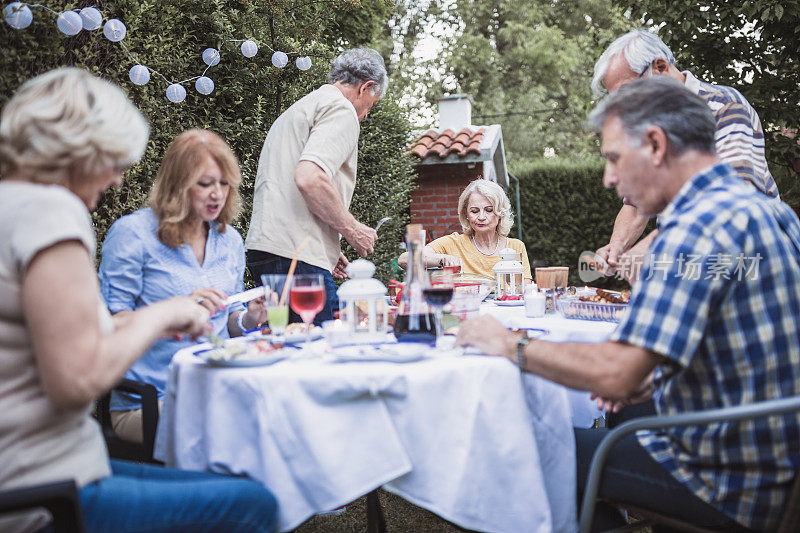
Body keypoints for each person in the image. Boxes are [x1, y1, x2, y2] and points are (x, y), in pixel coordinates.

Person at [457, 77, 800, 530]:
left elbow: (615, 374)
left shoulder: (692, 231)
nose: (609, 179)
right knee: (620, 413)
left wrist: (508, 344)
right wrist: (656, 376)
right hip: (776, 457)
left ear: (655, 144)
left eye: (614, 158)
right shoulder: (773, 213)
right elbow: (746, 340)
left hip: (723, 476)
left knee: (529, 447)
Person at [0, 68, 277, 532]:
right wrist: (169, 312)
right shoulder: (51, 213)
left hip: (34, 471)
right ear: (78, 150)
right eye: (111, 159)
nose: (114, 178)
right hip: (45, 487)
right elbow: (78, 378)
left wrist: (234, 318)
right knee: (256, 505)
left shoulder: (13, 203)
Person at [99, 129, 266, 444]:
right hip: (149, 401)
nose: (217, 194)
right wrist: (175, 311)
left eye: (224, 183)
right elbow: (107, 330)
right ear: (177, 185)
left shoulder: (229, 241)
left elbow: (228, 320)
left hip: (218, 386)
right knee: (248, 423)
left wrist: (250, 319)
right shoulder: (132, 235)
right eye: (205, 184)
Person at [591, 30, 778, 282]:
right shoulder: (649, 127)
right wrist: (617, 248)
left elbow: (734, 198)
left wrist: (650, 251)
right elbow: (635, 204)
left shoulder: (724, 107)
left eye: (628, 92)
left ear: (659, 67)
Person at [245, 48, 388, 324]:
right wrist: (353, 230)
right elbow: (309, 177)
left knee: (289, 347)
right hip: (296, 259)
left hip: (266, 250)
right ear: (365, 87)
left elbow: (287, 189)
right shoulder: (341, 109)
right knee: (325, 351)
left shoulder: (299, 109)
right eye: (372, 104)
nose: (366, 115)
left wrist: (324, 248)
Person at [397, 179, 532, 280]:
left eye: (489, 210)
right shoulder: (453, 243)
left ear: (500, 213)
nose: (481, 217)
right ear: (466, 214)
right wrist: (441, 259)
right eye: (474, 211)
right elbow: (404, 260)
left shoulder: (515, 247)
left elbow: (524, 290)